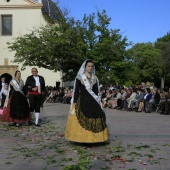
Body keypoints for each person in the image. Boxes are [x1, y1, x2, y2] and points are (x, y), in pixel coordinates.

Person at [65, 59, 109, 143]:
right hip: (82, 99)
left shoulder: (94, 78)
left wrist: (99, 100)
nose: (90, 68)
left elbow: (96, 91)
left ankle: (97, 138)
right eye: (88, 66)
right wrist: (74, 101)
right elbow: (76, 90)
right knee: (82, 116)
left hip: (93, 100)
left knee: (98, 115)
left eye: (92, 66)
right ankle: (82, 138)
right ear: (85, 67)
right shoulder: (79, 77)